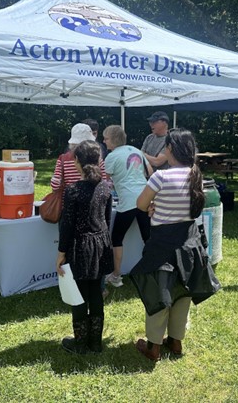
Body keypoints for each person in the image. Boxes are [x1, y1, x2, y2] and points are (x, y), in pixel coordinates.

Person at [131, 128, 221, 361]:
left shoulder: (160, 177)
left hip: (162, 243)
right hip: (189, 243)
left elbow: (141, 204)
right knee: (183, 292)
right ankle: (176, 341)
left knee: (159, 293)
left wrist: (153, 207)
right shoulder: (196, 176)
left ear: (170, 149)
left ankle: (154, 347)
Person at [55, 140, 114, 354]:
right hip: (100, 245)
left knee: (79, 295)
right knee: (96, 293)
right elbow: (106, 220)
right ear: (99, 160)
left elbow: (67, 225)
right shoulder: (106, 188)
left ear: (76, 161)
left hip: (80, 247)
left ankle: (80, 343)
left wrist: (61, 253)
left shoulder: (73, 191)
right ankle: (95, 342)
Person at [102, 125, 152, 289]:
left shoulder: (111, 156)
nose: (104, 141)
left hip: (128, 201)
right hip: (145, 197)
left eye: (106, 138)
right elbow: (150, 172)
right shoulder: (137, 150)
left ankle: (116, 275)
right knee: (148, 237)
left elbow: (104, 179)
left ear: (114, 140)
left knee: (116, 238)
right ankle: (153, 271)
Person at [50, 123, 105, 194]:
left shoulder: (63, 159)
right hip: (94, 199)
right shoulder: (97, 157)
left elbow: (55, 185)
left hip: (70, 200)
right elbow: (104, 180)